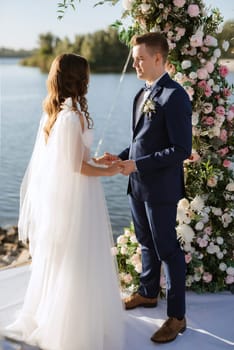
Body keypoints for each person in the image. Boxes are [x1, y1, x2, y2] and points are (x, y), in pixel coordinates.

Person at [4, 53, 124, 350]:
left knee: (66, 257)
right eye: (86, 74)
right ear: (78, 78)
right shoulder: (73, 116)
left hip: (64, 196)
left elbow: (70, 159)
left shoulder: (55, 113)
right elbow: (76, 167)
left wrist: (97, 159)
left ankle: (52, 314)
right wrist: (109, 171)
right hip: (79, 197)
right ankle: (71, 327)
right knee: (79, 258)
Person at [104, 32, 192, 343]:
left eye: (140, 58)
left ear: (158, 58)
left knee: (168, 249)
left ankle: (178, 317)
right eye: (135, 58)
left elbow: (181, 149)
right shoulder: (140, 94)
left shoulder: (176, 96)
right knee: (145, 242)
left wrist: (138, 164)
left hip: (162, 190)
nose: (135, 64)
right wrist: (122, 156)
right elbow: (141, 141)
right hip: (137, 186)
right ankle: (147, 293)